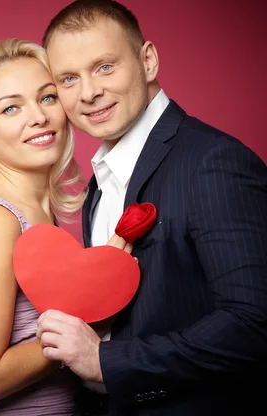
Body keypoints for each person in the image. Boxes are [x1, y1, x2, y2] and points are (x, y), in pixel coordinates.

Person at [35, 1, 267, 415]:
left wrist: (107, 363)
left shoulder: (212, 161)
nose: (88, 92)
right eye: (69, 78)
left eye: (104, 67)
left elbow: (255, 323)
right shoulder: (98, 186)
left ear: (148, 60)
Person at [0, 37, 133, 415]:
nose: (38, 116)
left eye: (48, 97)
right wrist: (94, 311)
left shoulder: (39, 214)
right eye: (11, 108)